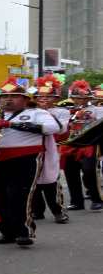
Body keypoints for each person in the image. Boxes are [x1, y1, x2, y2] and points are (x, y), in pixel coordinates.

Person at [0, 78, 60, 248]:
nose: (8, 99)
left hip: (24, 159)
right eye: (4, 96)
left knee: (18, 196)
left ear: (25, 99)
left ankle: (24, 231)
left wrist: (11, 124)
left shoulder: (38, 113)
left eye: (14, 96)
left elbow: (53, 128)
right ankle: (6, 232)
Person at [30, 75, 70, 224]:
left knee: (50, 179)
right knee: (32, 180)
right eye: (40, 95)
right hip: (30, 148)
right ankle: (37, 210)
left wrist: (46, 113)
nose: (43, 98)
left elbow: (61, 130)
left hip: (48, 148)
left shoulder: (62, 112)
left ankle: (57, 210)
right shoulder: (29, 111)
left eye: (48, 96)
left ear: (56, 97)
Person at [61, 80, 103, 211]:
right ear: (72, 98)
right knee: (70, 173)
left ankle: (96, 200)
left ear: (89, 97)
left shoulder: (97, 110)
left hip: (89, 145)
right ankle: (76, 201)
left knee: (89, 171)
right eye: (77, 97)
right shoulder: (66, 111)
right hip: (71, 145)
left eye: (84, 97)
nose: (80, 99)